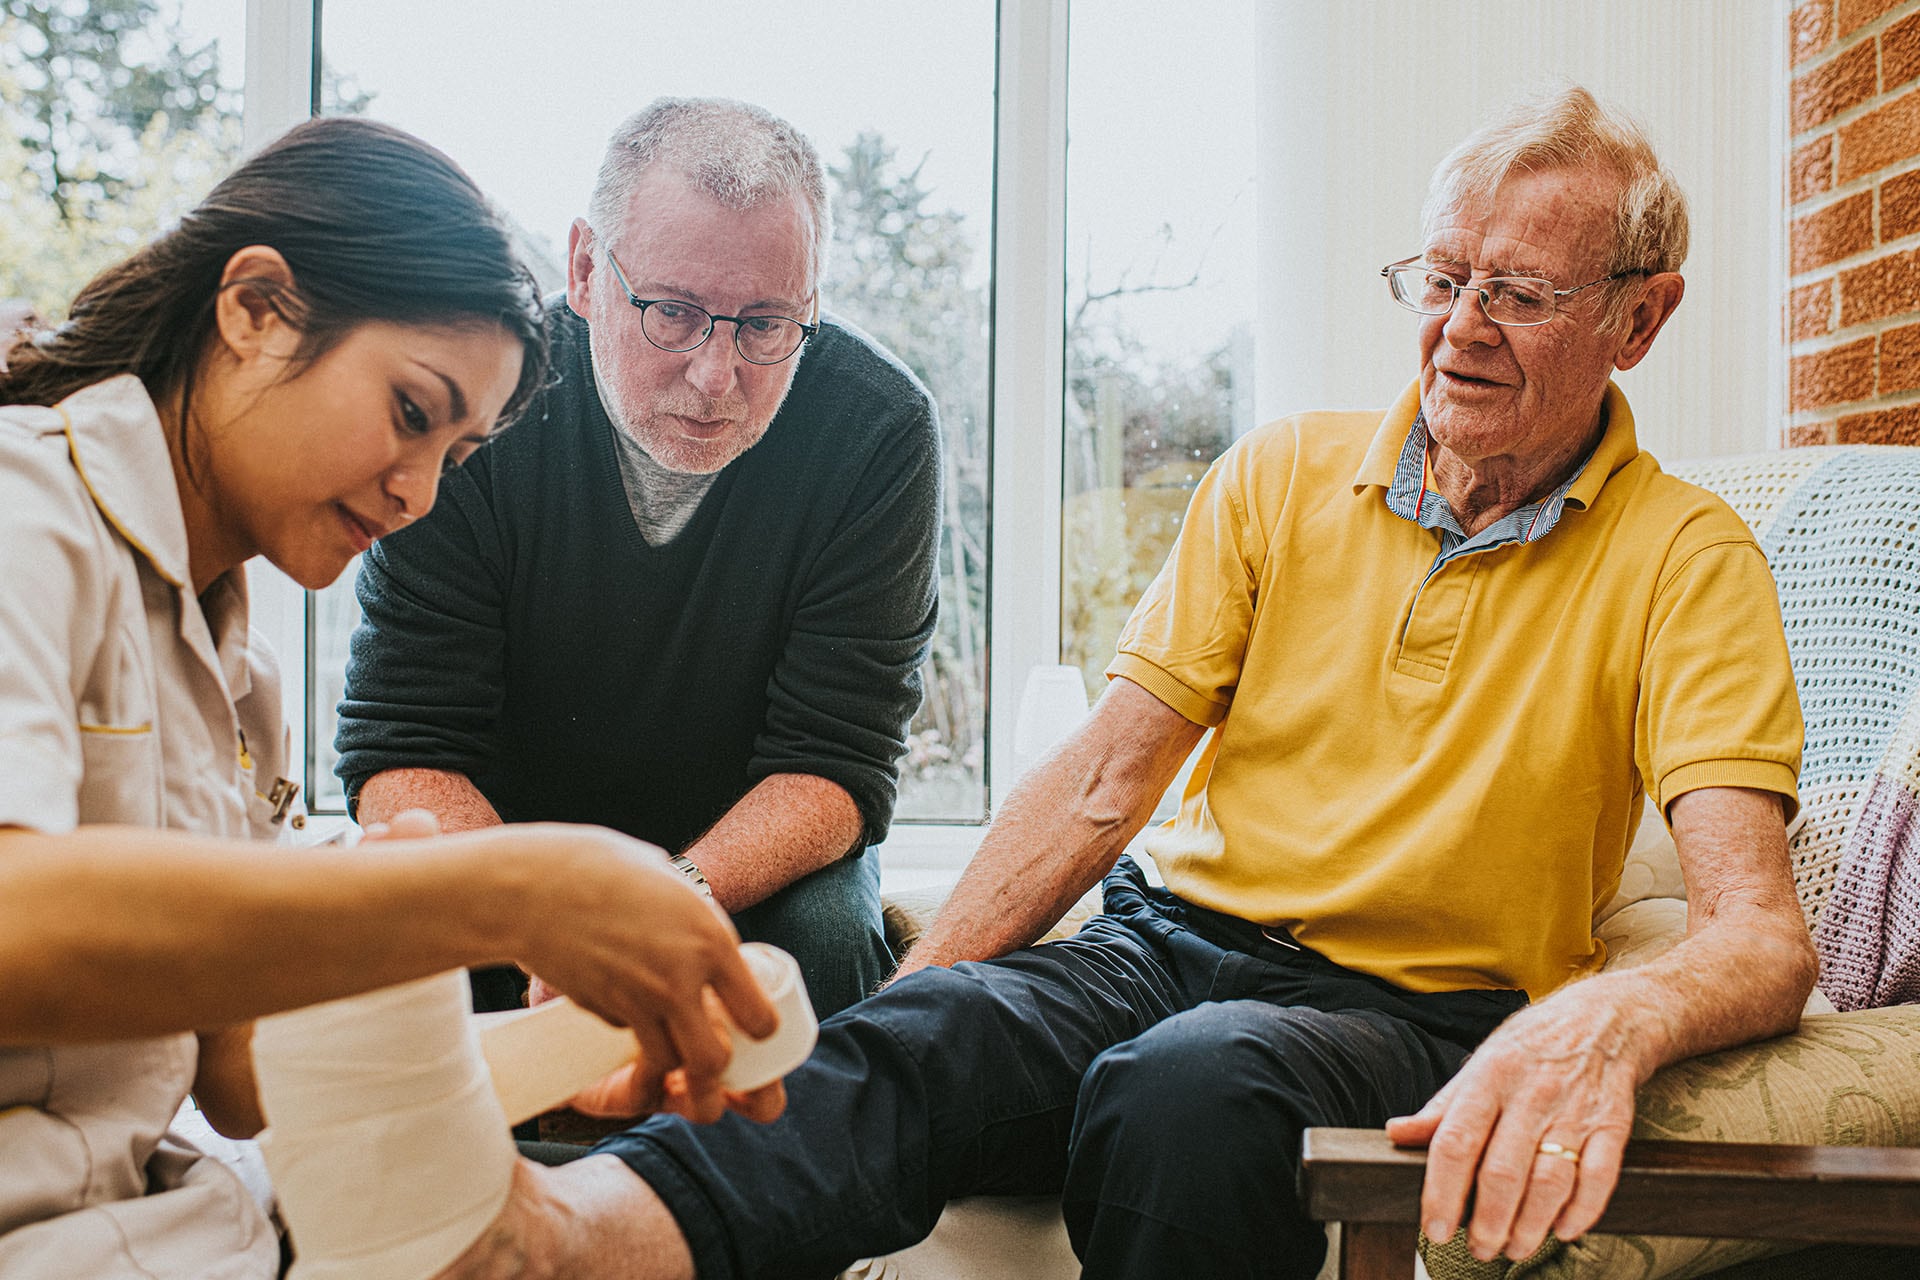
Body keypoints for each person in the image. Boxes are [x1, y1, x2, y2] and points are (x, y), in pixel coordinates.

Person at [433, 85, 1820, 1280]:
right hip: (1160, 943)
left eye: (1518, 295)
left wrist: (1615, 1018)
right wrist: (917, 1010)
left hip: (1405, 1012)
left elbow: (1759, 933)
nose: (1460, 330)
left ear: (1641, 320)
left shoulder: (1689, 557)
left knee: (1190, 1091)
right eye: (1442, 279)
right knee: (921, 1036)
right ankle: (551, 1244)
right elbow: (1105, 782)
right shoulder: (1280, 476)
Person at [0, 116, 782, 1280]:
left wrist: (551, 1054)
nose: (418, 494)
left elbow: (236, 1069)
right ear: (253, 307)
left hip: (176, 1220)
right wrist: (498, 888)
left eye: (458, 457)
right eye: (414, 411)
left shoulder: (239, 674)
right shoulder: (27, 509)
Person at [334, 96, 943, 1021]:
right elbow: (402, 749)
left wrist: (672, 894)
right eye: (675, 313)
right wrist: (551, 908)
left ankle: (731, 1171)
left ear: (812, 300)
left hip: (748, 864)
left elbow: (838, 763)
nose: (715, 375)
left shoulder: (878, 428)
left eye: (767, 325)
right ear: (585, 270)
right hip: (503, 850)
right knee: (410, 958)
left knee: (820, 945)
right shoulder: (478, 401)